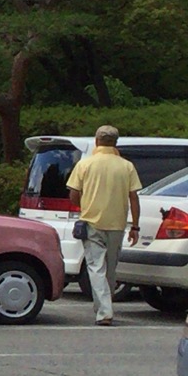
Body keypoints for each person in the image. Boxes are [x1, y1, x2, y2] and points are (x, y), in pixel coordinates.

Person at [69, 127, 142, 325]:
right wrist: (135, 226)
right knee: (111, 268)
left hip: (92, 222)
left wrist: (85, 205)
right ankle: (104, 307)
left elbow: (73, 194)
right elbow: (134, 197)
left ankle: (104, 311)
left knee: (95, 267)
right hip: (117, 224)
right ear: (116, 142)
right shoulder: (126, 166)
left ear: (97, 141)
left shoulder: (85, 164)